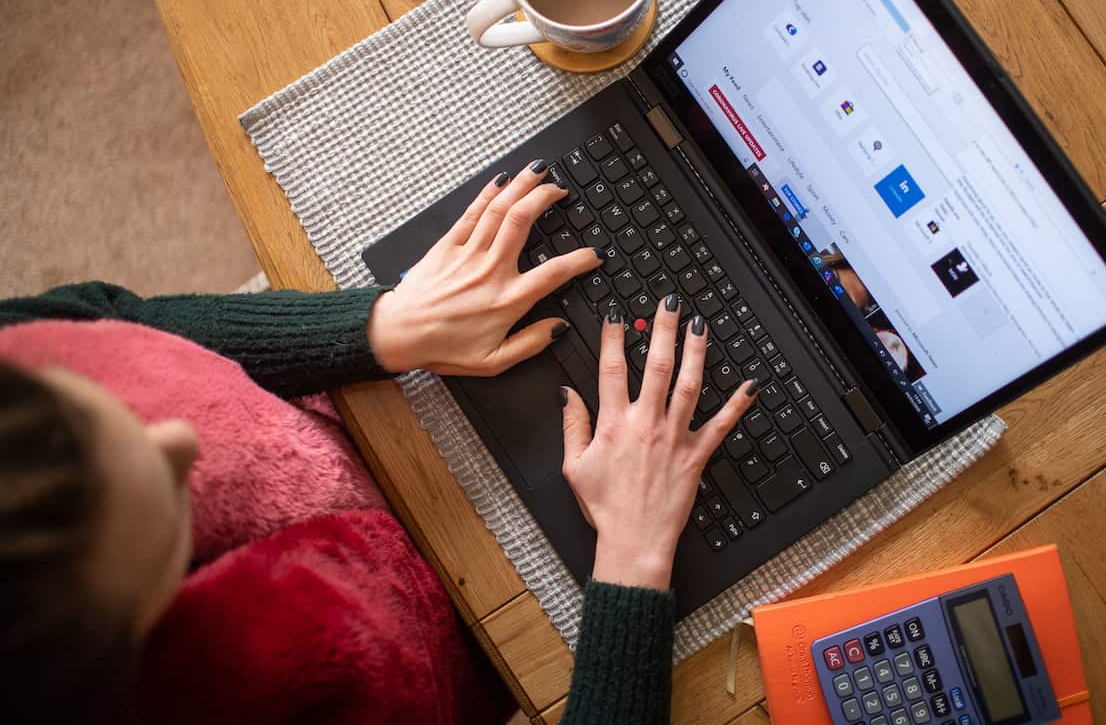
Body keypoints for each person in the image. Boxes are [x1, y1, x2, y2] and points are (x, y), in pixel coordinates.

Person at [0, 160, 755, 724]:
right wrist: (633, 554)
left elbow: (109, 320)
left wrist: (381, 326)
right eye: (162, 502)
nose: (178, 439)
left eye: (106, 408)